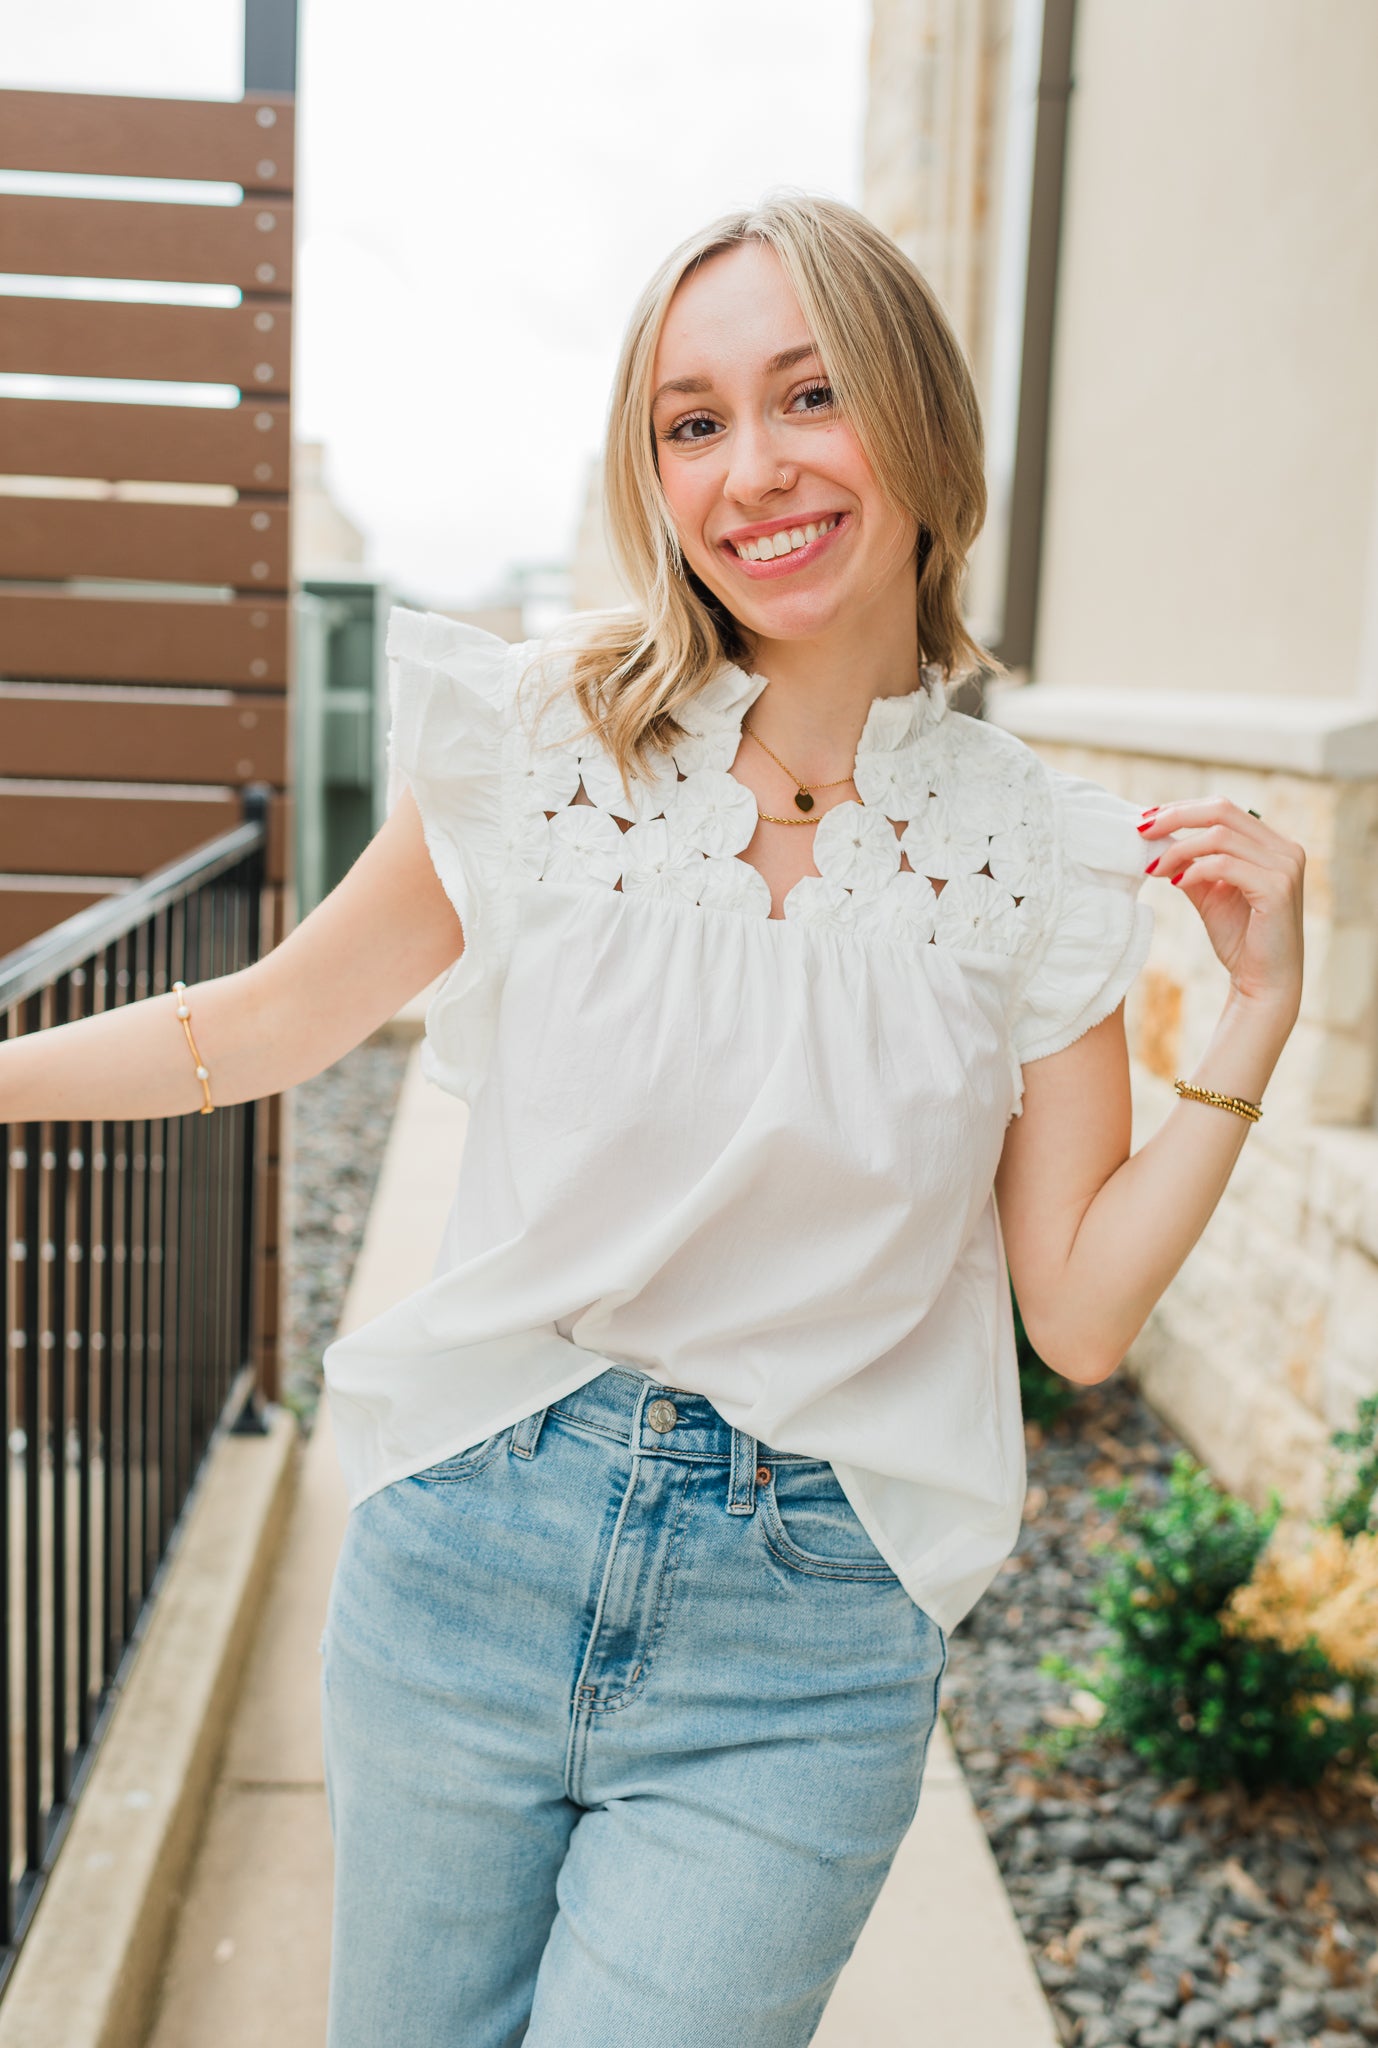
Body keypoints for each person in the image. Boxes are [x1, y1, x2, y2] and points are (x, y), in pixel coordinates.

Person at [1, 193, 1305, 2046]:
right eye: (690, 423)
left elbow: (1078, 1314)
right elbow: (271, 1020)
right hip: (470, 1552)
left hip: (805, 1630)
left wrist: (1253, 1017)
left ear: (920, 422)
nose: (750, 469)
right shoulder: (544, 745)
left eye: (807, 396)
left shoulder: (1031, 851)